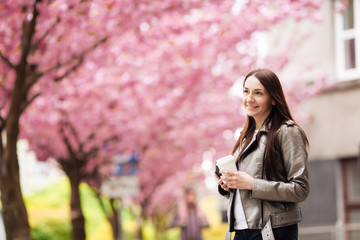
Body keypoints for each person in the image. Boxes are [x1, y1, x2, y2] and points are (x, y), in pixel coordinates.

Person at [216, 69, 309, 240]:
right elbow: (247, 191)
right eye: (246, 91)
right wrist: (229, 186)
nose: (249, 98)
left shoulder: (288, 132)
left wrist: (252, 184)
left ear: (273, 99)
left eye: (258, 93)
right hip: (241, 229)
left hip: (272, 230)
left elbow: (300, 189)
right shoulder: (245, 138)